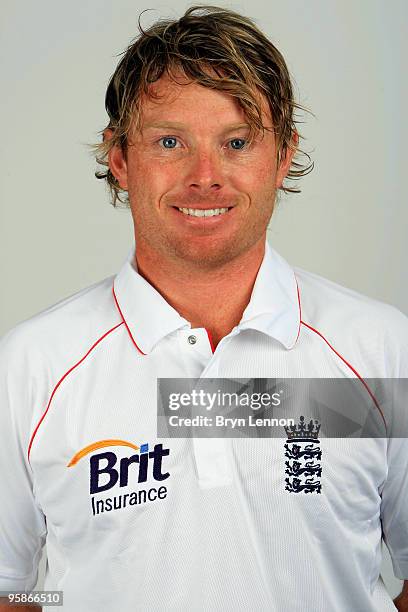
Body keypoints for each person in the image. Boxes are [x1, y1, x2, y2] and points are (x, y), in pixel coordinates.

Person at [0, 5, 407, 611]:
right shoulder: (31, 367)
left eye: (237, 142)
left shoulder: (379, 350)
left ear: (283, 156)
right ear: (119, 158)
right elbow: (13, 592)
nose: (205, 176)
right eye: (170, 142)